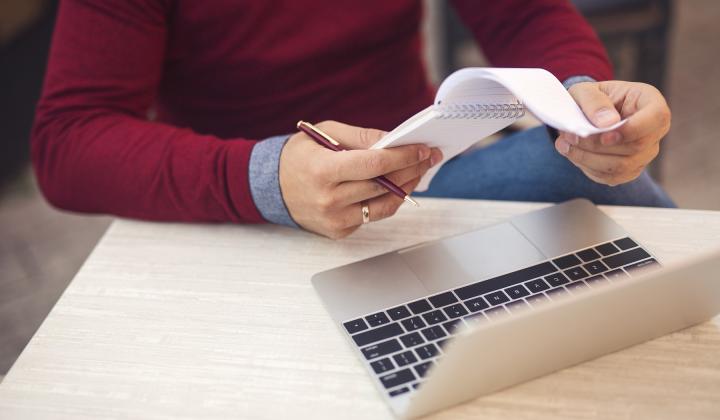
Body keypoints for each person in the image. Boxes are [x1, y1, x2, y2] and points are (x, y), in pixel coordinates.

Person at [32, 0, 673, 239]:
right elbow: (69, 141)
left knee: (604, 192)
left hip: (415, 190)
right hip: (238, 218)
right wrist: (267, 179)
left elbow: (525, 16)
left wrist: (584, 100)